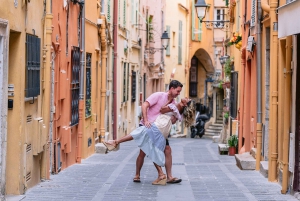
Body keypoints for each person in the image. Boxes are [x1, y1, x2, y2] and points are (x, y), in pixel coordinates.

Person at [103, 98, 195, 185]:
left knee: (139, 133)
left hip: (159, 126)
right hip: (164, 131)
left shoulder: (174, 106)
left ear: (185, 104)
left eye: (188, 99)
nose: (186, 97)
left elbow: (162, 109)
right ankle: (161, 174)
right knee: (150, 148)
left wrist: (168, 101)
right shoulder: (181, 113)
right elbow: (173, 120)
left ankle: (115, 142)